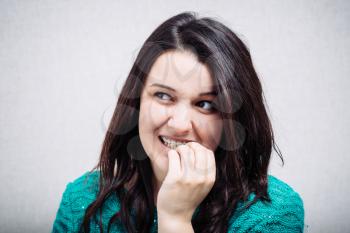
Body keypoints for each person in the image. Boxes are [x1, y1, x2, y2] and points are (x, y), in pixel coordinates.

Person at [51, 11, 304, 233]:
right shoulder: (81, 201)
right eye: (163, 96)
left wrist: (175, 220)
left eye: (205, 104)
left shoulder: (273, 214)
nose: (181, 124)